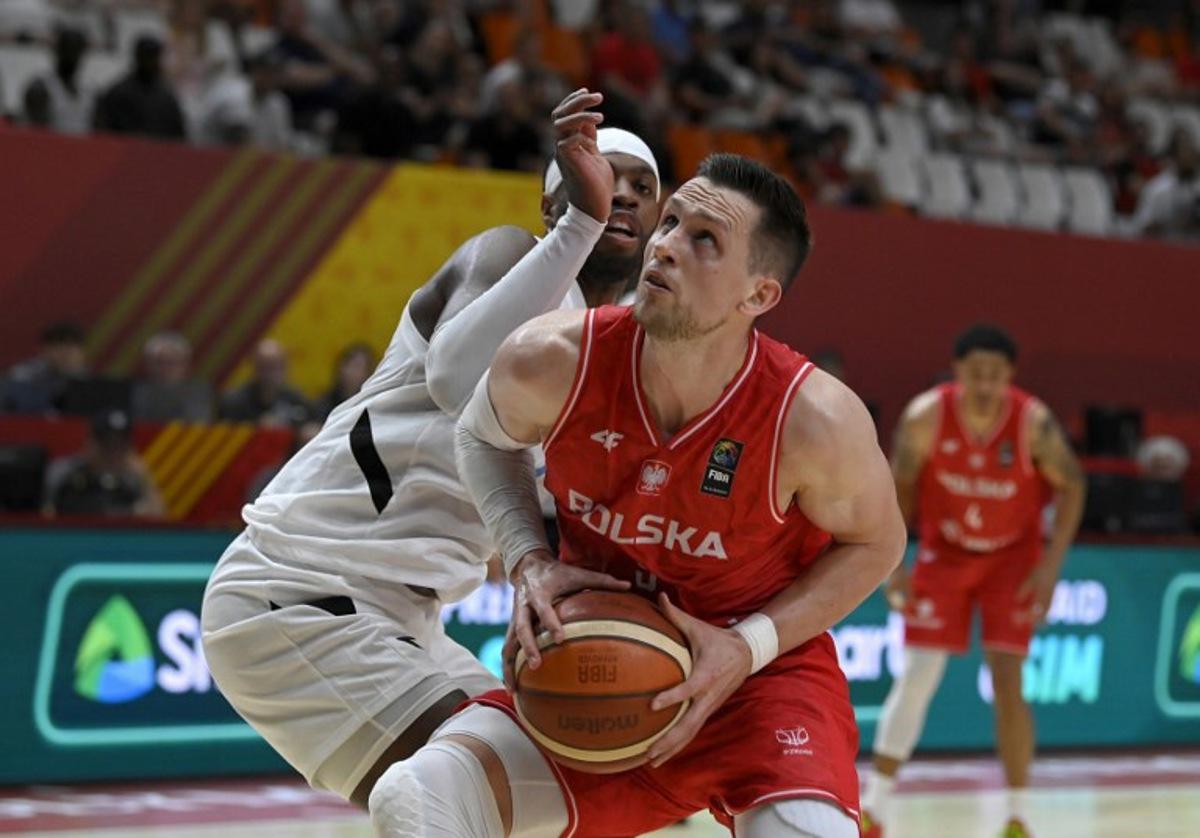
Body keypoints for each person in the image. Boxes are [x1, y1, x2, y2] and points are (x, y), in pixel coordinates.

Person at [369, 152, 906, 835]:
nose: (667, 245)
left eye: (704, 240)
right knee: (413, 800)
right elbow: (479, 436)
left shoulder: (813, 419)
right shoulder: (552, 358)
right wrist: (529, 559)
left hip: (756, 685)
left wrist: (747, 646)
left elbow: (879, 543)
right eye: (672, 221)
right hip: (593, 660)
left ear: (759, 295)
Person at [200, 89, 662, 811]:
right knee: (456, 797)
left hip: (407, 618)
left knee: (567, 791)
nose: (625, 195)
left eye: (642, 187)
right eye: (610, 179)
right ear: (557, 203)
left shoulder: (621, 360)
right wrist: (583, 223)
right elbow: (456, 380)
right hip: (300, 587)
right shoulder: (506, 254)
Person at [860, 325, 1086, 838]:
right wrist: (893, 564)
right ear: (958, 371)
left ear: (1010, 376)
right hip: (946, 553)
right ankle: (875, 807)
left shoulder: (1033, 423)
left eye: (996, 374)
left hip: (1013, 559)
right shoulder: (925, 418)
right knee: (917, 673)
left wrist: (1049, 570)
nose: (985, 383)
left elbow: (1074, 485)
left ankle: (1018, 814)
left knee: (1009, 678)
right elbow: (900, 489)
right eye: (976, 372)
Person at [44, 409, 164, 518]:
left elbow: (159, 516)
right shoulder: (64, 473)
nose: (113, 453)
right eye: (107, 445)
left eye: (120, 446)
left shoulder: (133, 479)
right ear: (90, 443)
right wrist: (133, 511)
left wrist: (145, 478)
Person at [217, 339, 315, 428]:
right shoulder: (234, 403)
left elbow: (313, 425)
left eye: (274, 367)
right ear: (254, 368)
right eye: (263, 367)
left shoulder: (297, 400)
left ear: (284, 368)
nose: (269, 375)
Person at [131, 331, 213, 423]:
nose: (165, 368)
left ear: (185, 364)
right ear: (148, 364)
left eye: (171, 362)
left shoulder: (199, 392)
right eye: (159, 362)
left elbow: (197, 424)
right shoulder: (137, 391)